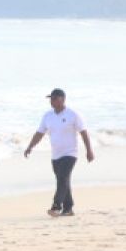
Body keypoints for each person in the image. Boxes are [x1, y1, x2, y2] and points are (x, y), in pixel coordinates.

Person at [24, 88, 94, 217]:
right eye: (51, 99)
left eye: (55, 98)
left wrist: (89, 150)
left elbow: (84, 132)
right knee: (63, 180)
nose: (52, 101)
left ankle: (56, 206)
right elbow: (39, 133)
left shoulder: (73, 114)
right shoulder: (47, 116)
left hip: (70, 153)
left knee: (62, 178)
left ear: (62, 99)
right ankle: (68, 208)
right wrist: (30, 146)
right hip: (55, 155)